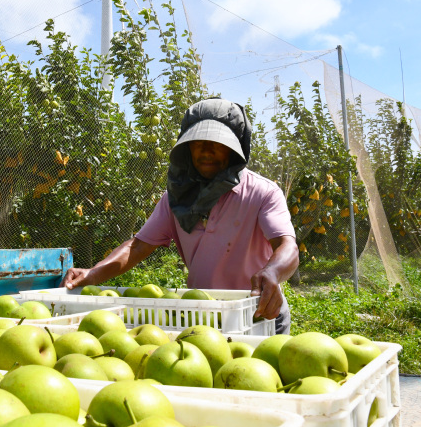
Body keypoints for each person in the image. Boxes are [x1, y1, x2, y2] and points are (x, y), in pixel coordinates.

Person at [61, 98, 299, 334]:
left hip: (259, 312)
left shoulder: (262, 193)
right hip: (203, 316)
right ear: (188, 148)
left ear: (234, 148)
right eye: (198, 142)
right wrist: (94, 273)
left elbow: (287, 246)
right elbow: (138, 246)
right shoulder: (177, 198)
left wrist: (272, 272)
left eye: (217, 142)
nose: (206, 150)